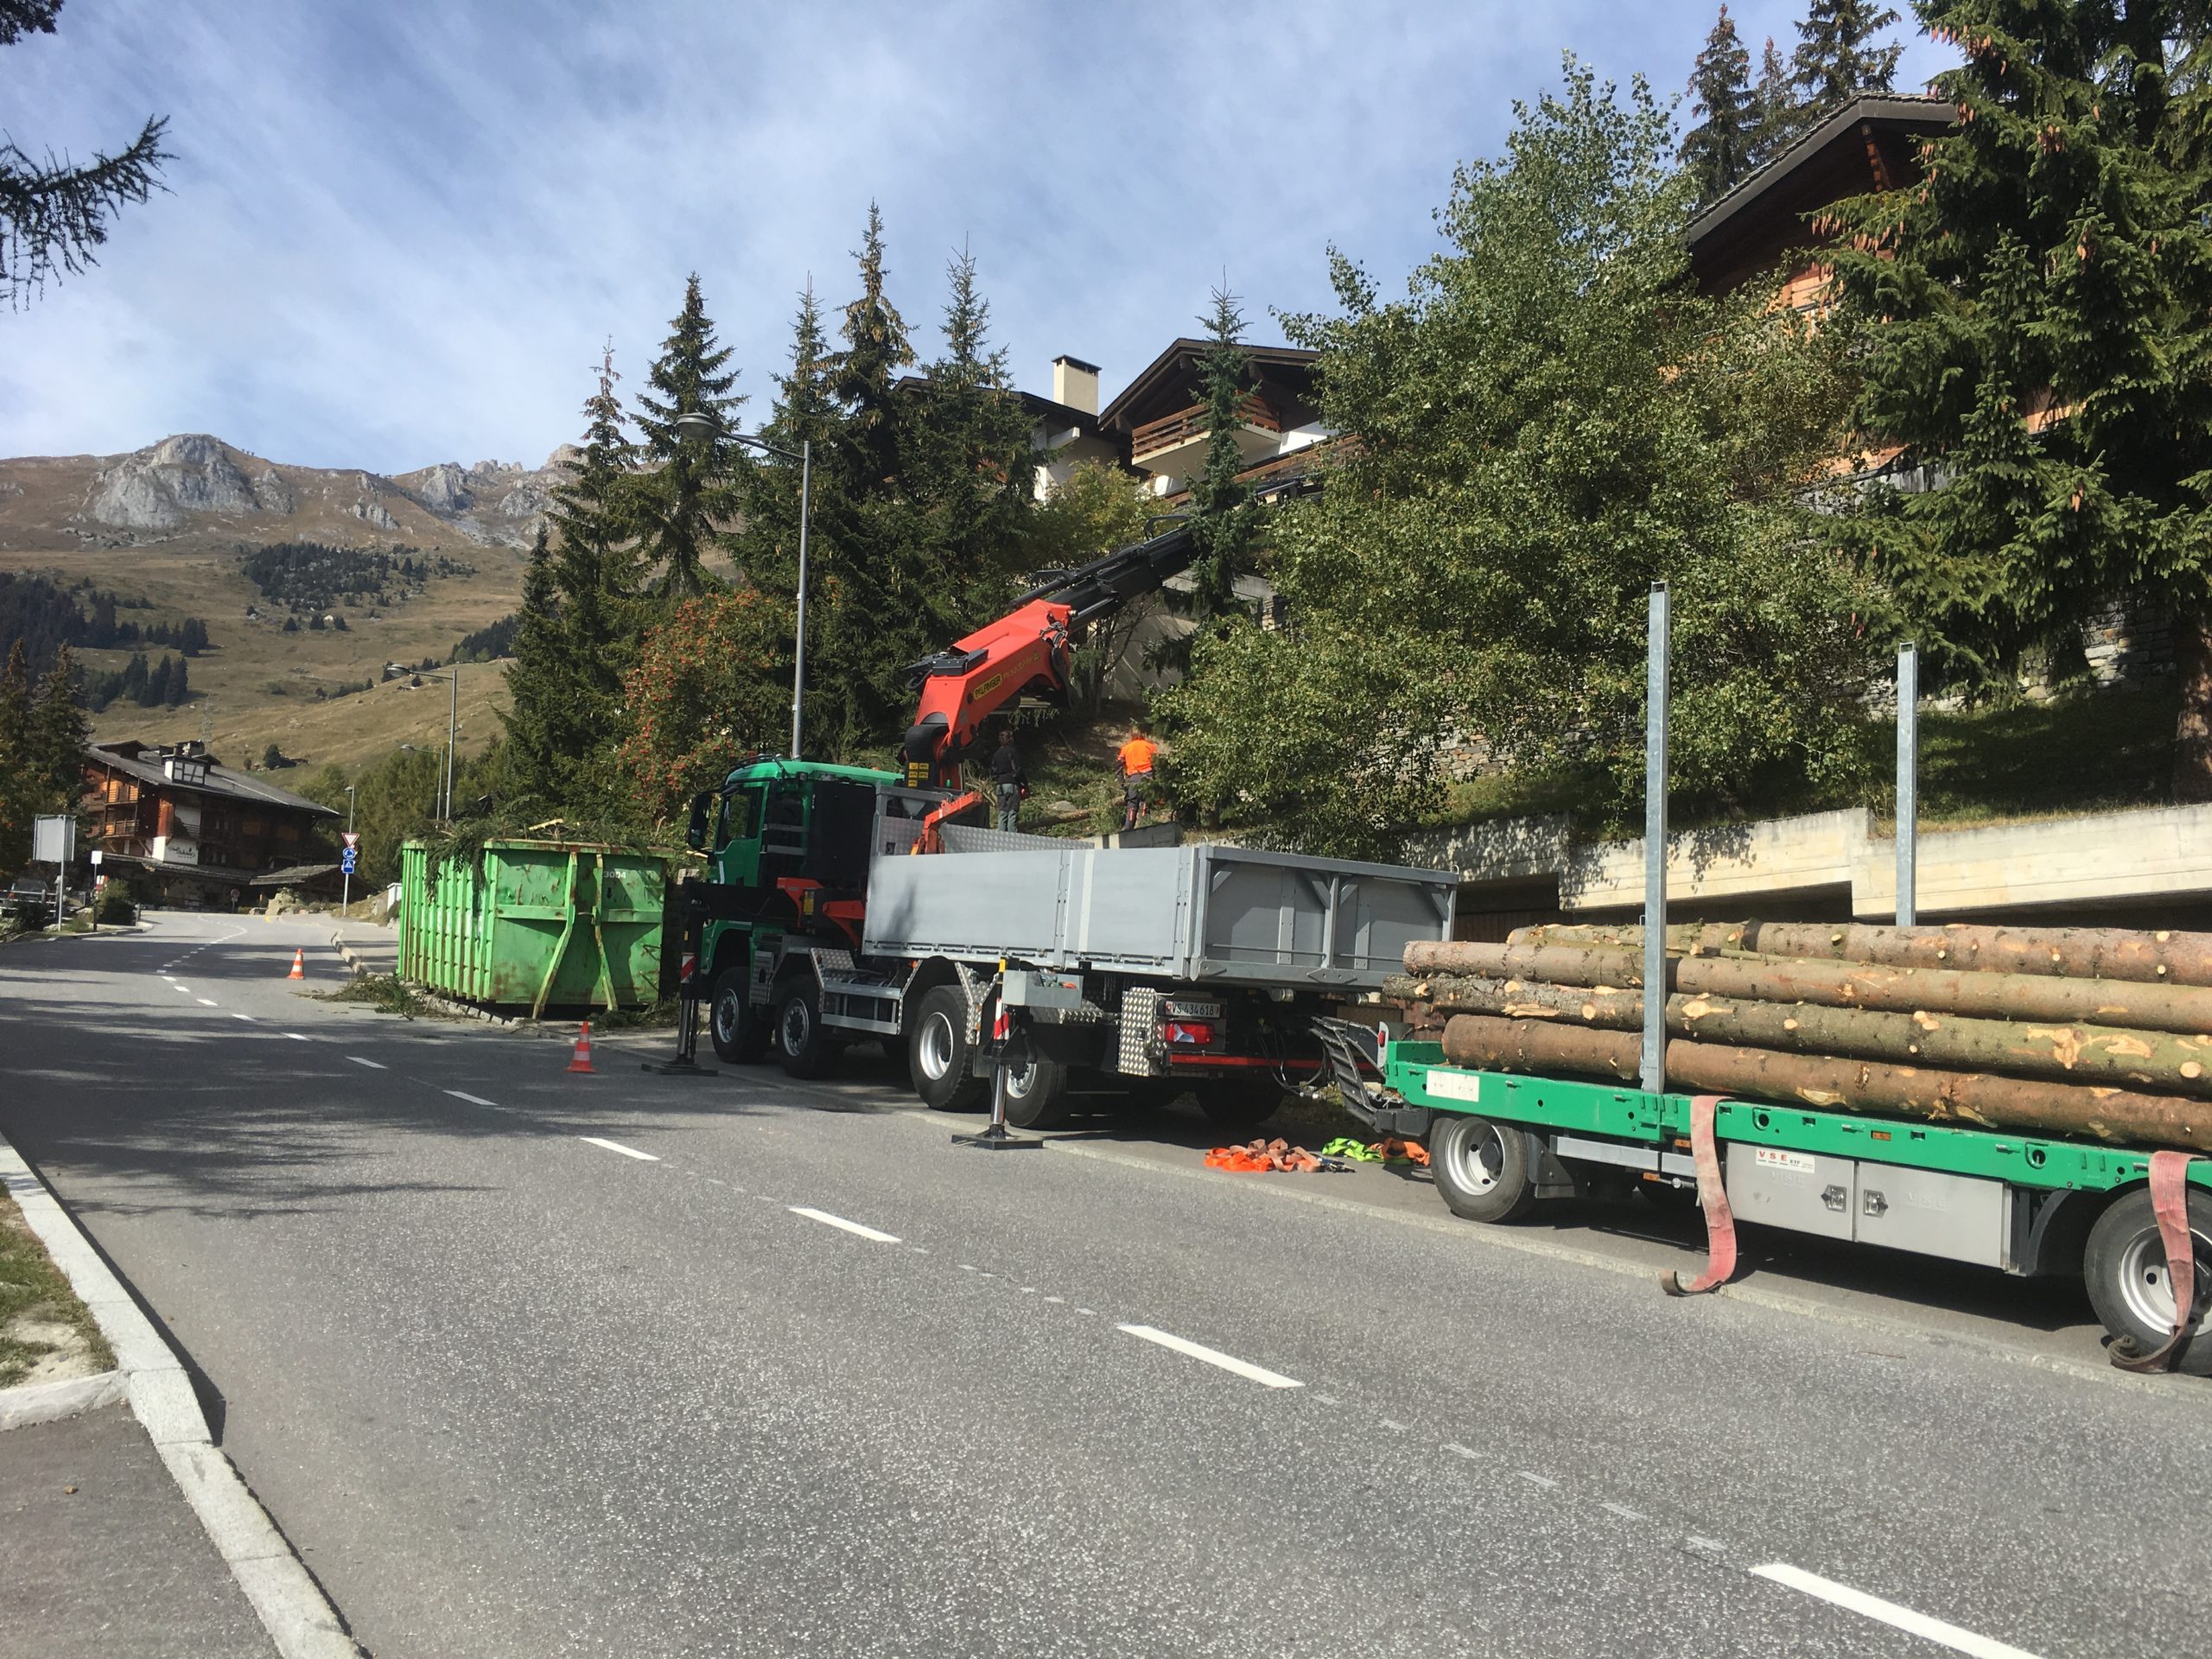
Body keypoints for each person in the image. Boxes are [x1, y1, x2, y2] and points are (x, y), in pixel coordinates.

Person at [1116, 725, 1160, 831]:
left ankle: (1128, 828)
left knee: (1132, 803)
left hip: (1133, 779)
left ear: (1132, 735)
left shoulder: (1125, 749)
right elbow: (1157, 764)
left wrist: (1122, 783)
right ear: (1143, 734)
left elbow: (1118, 767)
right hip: (1148, 777)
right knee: (1146, 802)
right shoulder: (1150, 746)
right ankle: (1146, 825)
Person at [989, 727, 1025, 831]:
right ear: (1010, 739)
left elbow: (993, 770)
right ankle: (1013, 838)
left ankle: (1001, 837)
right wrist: (1023, 784)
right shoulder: (1013, 752)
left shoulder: (996, 754)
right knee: (1012, 812)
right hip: (1011, 784)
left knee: (1002, 812)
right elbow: (1018, 769)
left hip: (1000, 785)